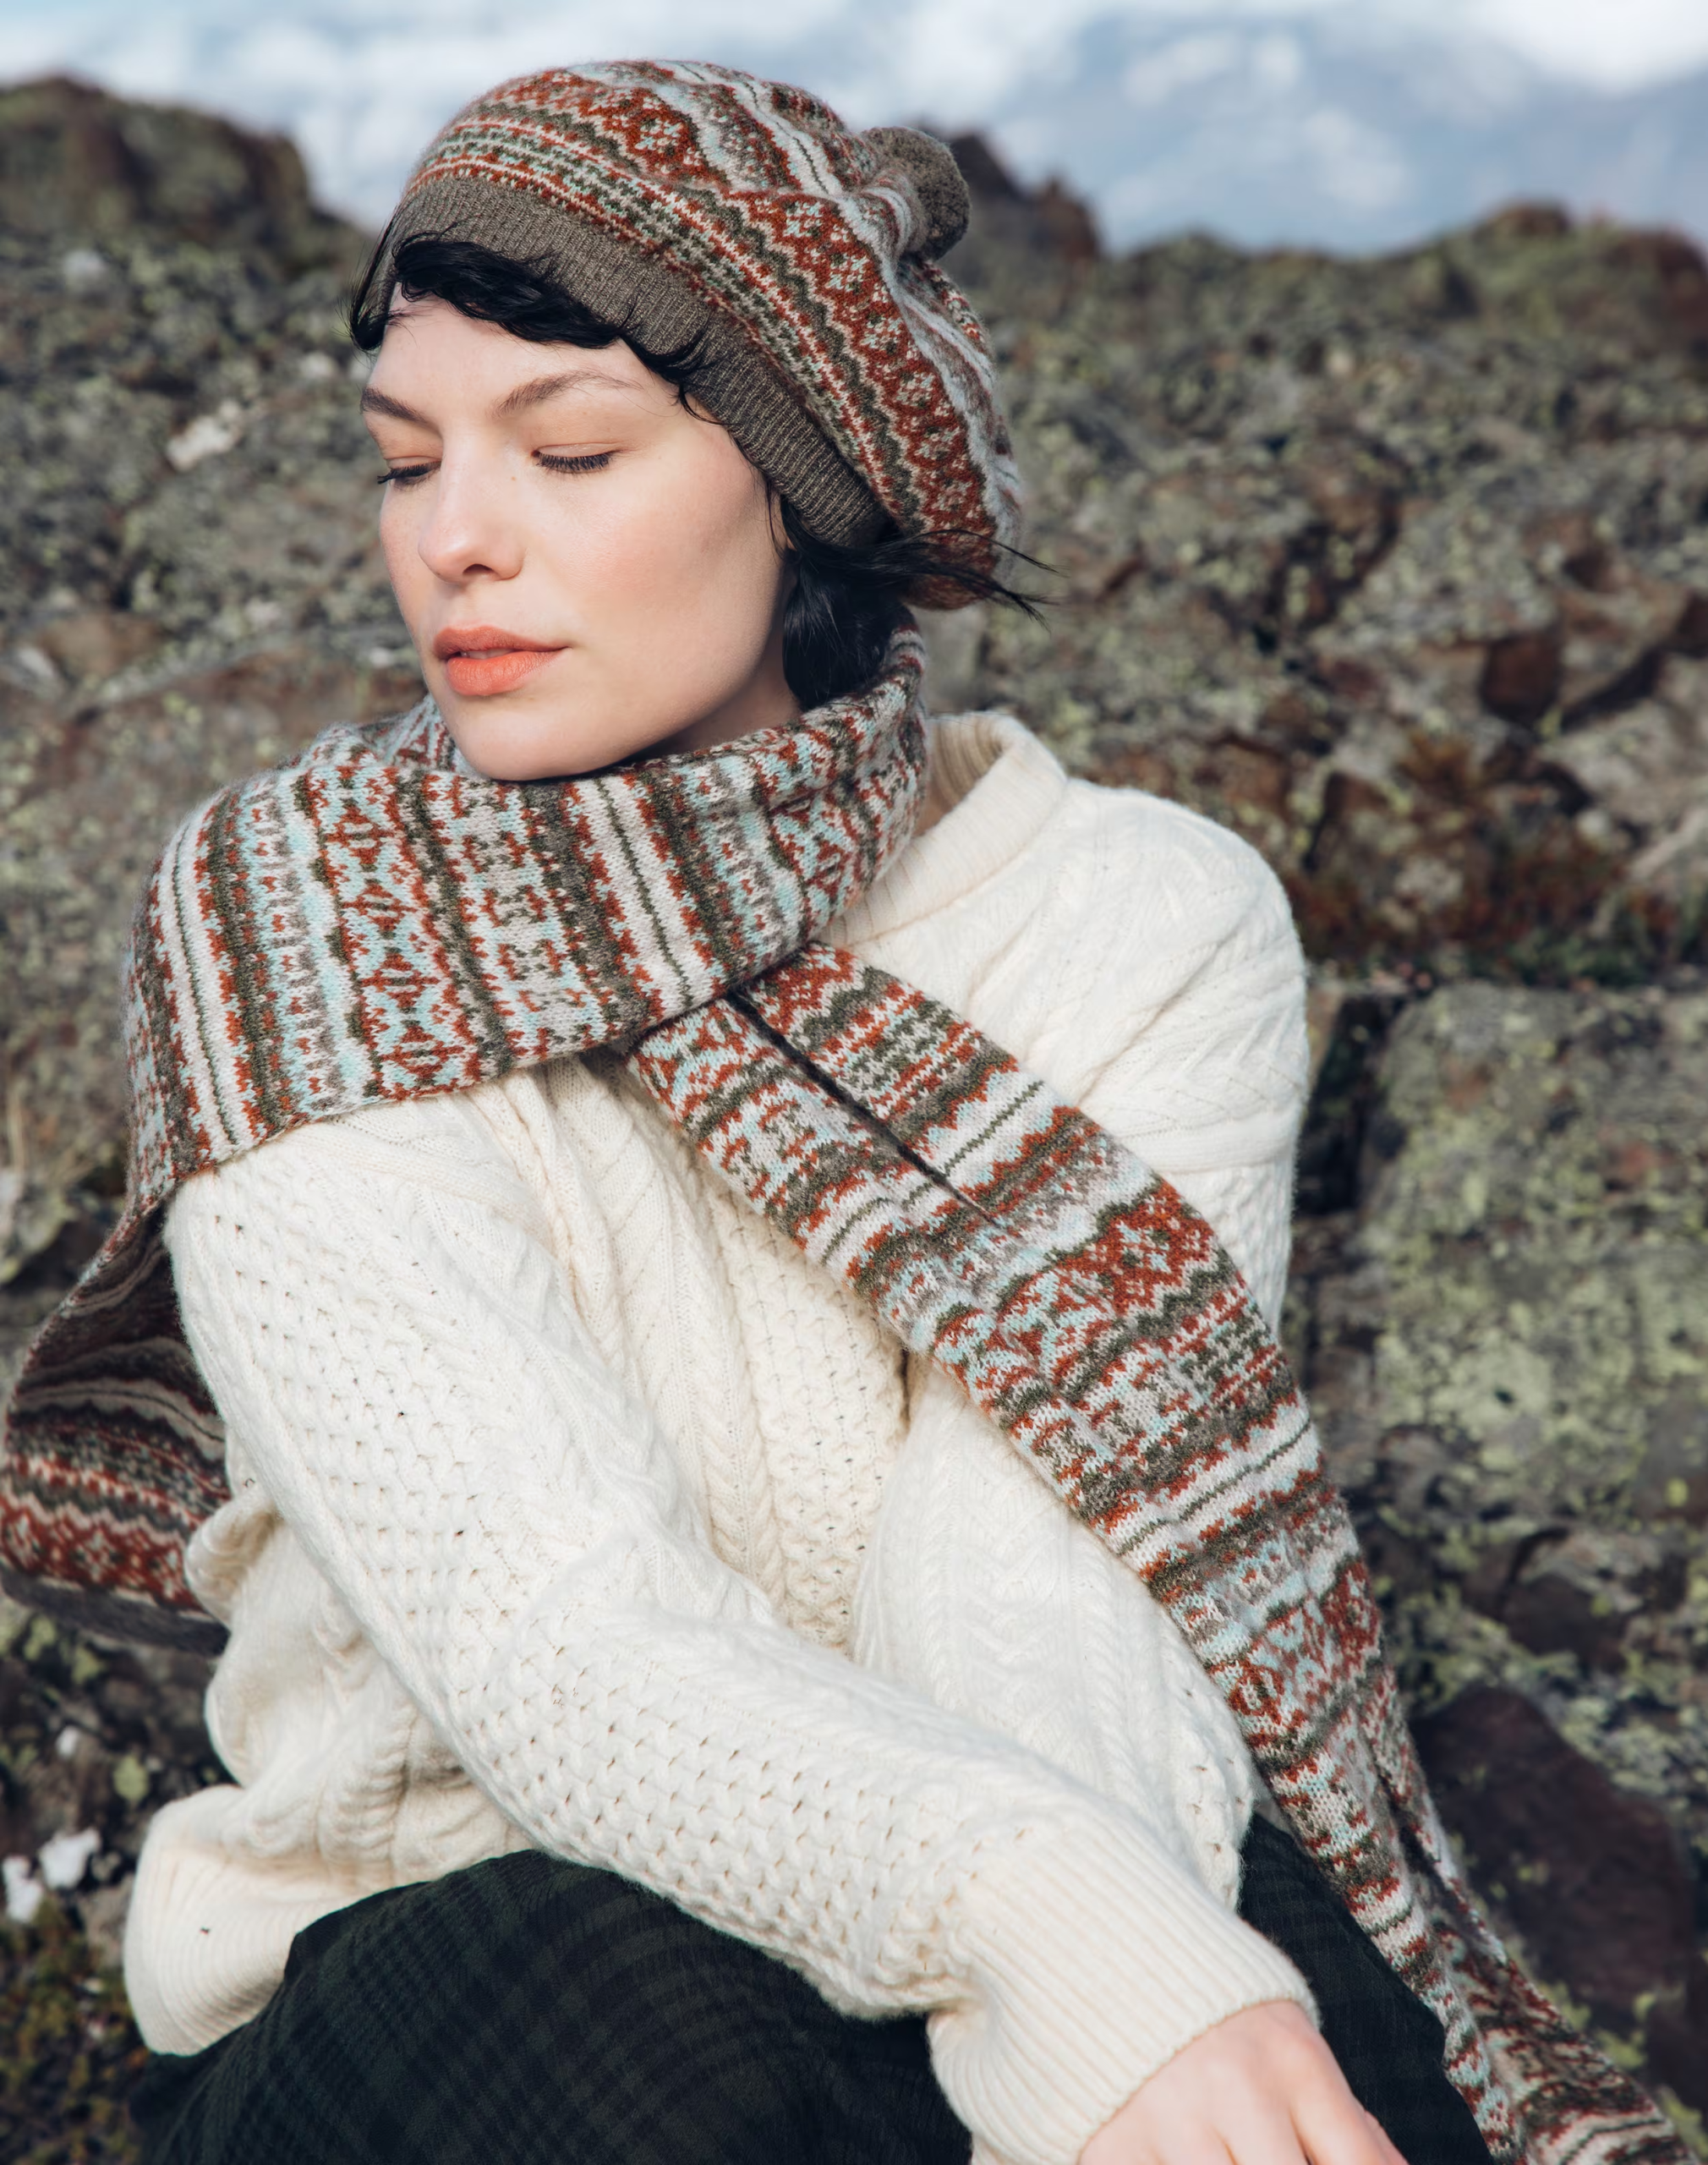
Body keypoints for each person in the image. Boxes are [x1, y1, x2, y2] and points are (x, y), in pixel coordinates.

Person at [0, 58, 1678, 2165]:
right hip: (450, 1961)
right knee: (656, 2017)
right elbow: (554, 1630)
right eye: (402, 456)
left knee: (1304, 2034)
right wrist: (1036, 1933)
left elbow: (1047, 1580)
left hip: (997, 1822)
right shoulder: (295, 925)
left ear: (806, 477)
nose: (453, 539)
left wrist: (1092, 1988)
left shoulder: (1136, 916)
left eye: (572, 446)